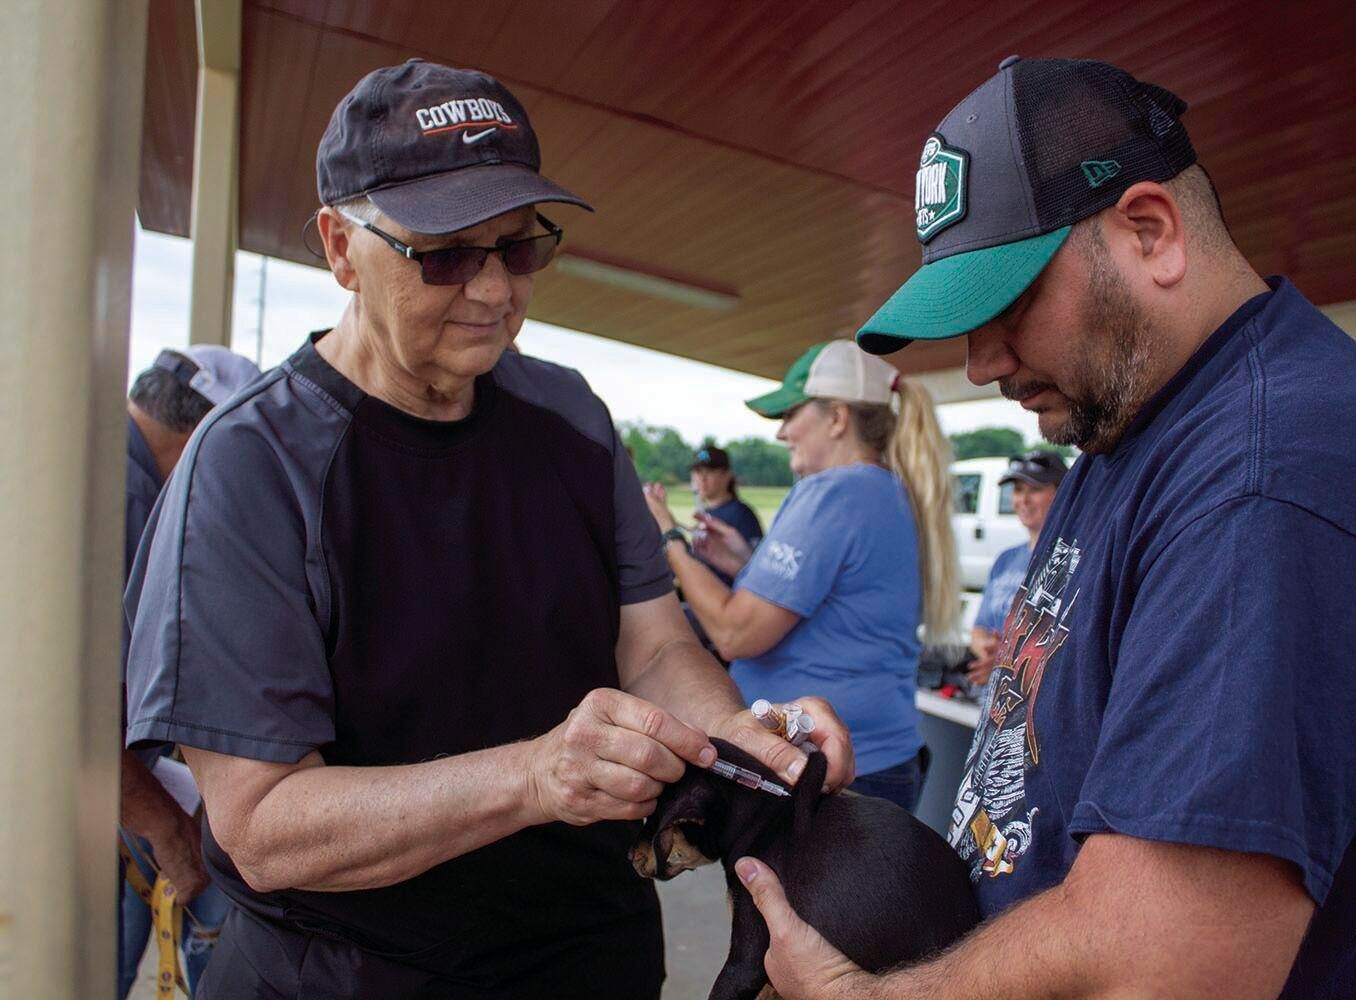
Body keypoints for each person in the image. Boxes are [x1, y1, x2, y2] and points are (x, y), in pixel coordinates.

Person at [729, 55, 1356, 999]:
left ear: (1150, 232)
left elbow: (1160, 964)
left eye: (1007, 301)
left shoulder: (1272, 486)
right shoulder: (1133, 426)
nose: (979, 362)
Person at [124, 59, 852, 999]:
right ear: (340, 247)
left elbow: (656, 641)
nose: (494, 290)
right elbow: (261, 826)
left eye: (520, 247)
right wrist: (536, 776)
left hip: (586, 954)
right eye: (446, 253)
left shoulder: (573, 418)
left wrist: (741, 741)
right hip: (351, 974)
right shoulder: (253, 464)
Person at [644, 339, 959, 813]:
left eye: (791, 415)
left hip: (829, 769)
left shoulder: (834, 492)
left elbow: (734, 633)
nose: (781, 433)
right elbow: (839, 600)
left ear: (837, 419)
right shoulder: (886, 489)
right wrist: (742, 562)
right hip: (879, 758)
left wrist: (669, 537)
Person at [120, 346, 259, 998]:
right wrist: (165, 827)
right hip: (92, 805)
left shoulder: (115, 465)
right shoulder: (125, 489)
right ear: (206, 430)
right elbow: (65, 704)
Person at [966, 450, 1067, 689]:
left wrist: (1004, 662)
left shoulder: (1072, 559)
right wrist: (985, 649)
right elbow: (980, 627)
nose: (1024, 500)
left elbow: (1065, 643)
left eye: (1035, 490)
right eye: (1018, 490)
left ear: (1062, 492)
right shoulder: (1005, 559)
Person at [688, 445, 763, 585]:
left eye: (710, 471)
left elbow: (756, 565)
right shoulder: (705, 514)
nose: (702, 478)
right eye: (698, 472)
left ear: (727, 475)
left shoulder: (741, 513)